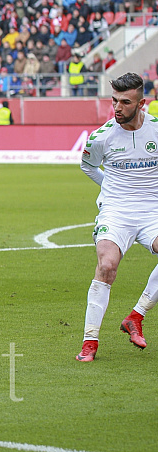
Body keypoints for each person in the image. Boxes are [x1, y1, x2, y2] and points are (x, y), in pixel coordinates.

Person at [76, 72, 158, 362]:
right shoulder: (102, 136)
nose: (117, 107)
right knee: (107, 265)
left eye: (125, 101)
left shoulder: (156, 130)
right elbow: (88, 166)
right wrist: (109, 189)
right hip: (116, 209)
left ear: (141, 103)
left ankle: (136, 316)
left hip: (152, 210)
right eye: (114, 101)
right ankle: (90, 342)